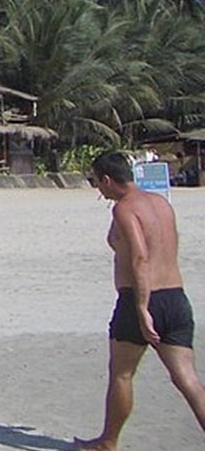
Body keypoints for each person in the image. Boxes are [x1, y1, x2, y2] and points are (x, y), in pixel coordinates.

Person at [76, 151, 205, 449]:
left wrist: (142, 308)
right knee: (188, 379)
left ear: (107, 179)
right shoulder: (161, 203)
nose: (97, 188)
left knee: (121, 374)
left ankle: (108, 442)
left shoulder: (124, 209)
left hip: (141, 299)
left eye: (96, 181)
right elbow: (154, 244)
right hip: (175, 297)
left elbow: (140, 257)